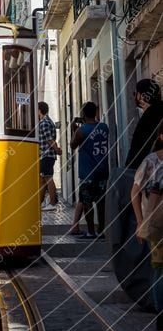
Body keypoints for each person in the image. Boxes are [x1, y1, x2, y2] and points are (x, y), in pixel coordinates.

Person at [131, 120, 163, 331]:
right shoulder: (150, 161)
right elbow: (134, 193)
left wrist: (141, 221)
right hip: (156, 222)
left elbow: (134, 193)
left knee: (159, 269)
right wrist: (141, 221)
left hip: (154, 221)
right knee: (160, 269)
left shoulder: (150, 161)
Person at [70, 102, 109, 239]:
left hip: (87, 173)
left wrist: (74, 129)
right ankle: (102, 230)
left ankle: (91, 231)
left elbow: (72, 145)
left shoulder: (81, 131)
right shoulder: (104, 128)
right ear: (96, 113)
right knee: (101, 202)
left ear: (84, 114)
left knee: (87, 203)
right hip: (103, 171)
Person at [125, 79, 163, 170]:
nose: (134, 97)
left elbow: (137, 149)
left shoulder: (148, 117)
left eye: (135, 93)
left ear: (142, 96)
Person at [38, 101, 61, 210]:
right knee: (43, 179)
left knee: (48, 178)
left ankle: (52, 203)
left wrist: (57, 149)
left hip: (46, 154)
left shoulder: (44, 123)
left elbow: (49, 140)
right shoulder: (49, 121)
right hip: (47, 155)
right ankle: (40, 202)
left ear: (39, 110)